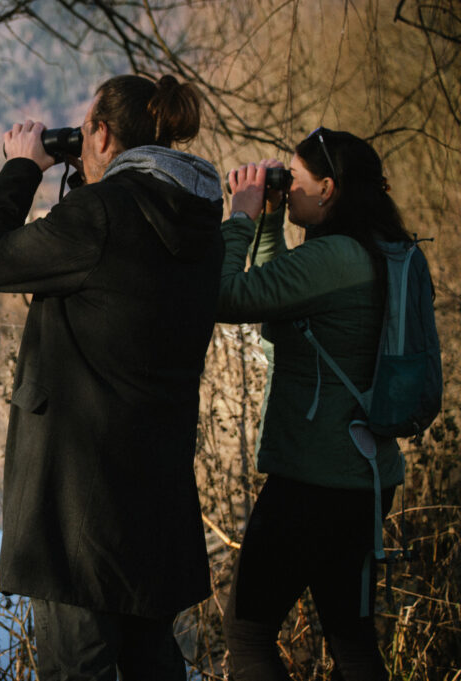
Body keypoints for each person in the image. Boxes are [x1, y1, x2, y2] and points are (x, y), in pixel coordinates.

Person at [0, 74, 224, 680]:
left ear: (102, 135)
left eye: (85, 132)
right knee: (152, 666)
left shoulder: (98, 219)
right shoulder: (200, 222)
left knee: (75, 670)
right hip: (154, 493)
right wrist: (86, 179)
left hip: (78, 508)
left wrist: (23, 168)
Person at [218, 128, 411, 680]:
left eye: (295, 182)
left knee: (248, 634)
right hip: (366, 474)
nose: (289, 189)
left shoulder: (333, 259)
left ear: (327, 189)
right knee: (350, 637)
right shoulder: (372, 251)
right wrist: (275, 220)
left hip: (313, 480)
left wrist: (241, 218)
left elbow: (227, 295)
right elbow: (282, 312)